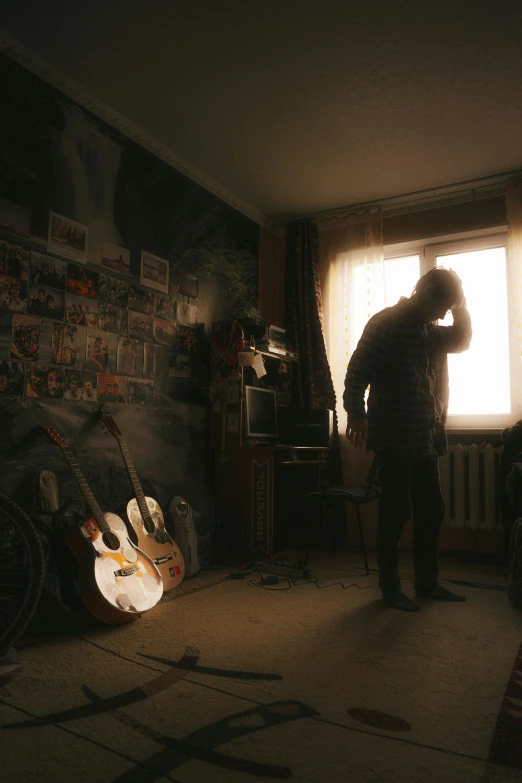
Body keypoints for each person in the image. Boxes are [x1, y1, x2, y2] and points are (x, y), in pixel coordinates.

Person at [344, 267, 472, 612]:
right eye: (442, 305)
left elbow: (462, 339)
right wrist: (356, 413)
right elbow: (358, 370)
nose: (444, 314)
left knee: (432, 509)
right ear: (426, 290)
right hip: (395, 438)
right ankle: (390, 588)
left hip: (425, 437)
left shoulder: (430, 330)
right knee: (395, 513)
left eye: (449, 309)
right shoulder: (386, 323)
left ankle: (427, 583)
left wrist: (460, 303)